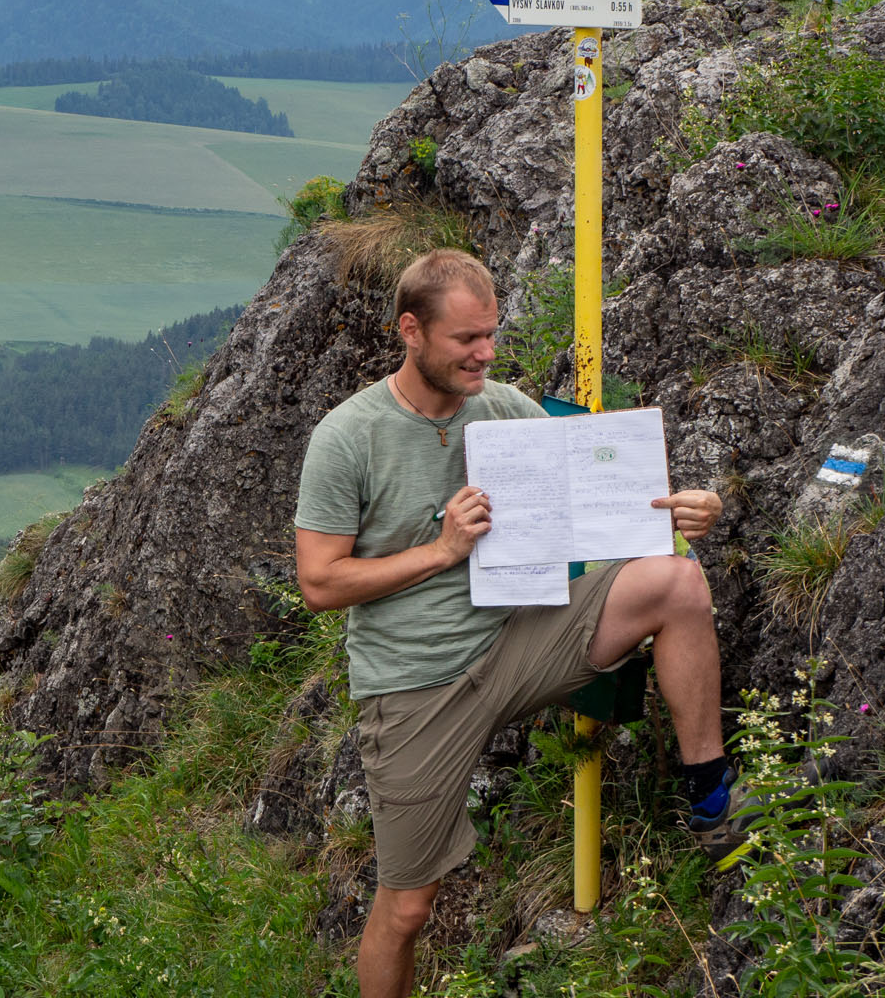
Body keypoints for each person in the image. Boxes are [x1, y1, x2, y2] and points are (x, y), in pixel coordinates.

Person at [294, 247, 737, 998]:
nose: (486, 353)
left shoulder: (503, 411)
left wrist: (689, 512)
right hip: (416, 686)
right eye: (467, 339)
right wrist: (442, 550)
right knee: (407, 908)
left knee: (677, 582)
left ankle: (712, 796)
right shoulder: (349, 436)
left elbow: (596, 505)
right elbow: (320, 582)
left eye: (491, 334)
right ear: (410, 329)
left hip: (517, 639)